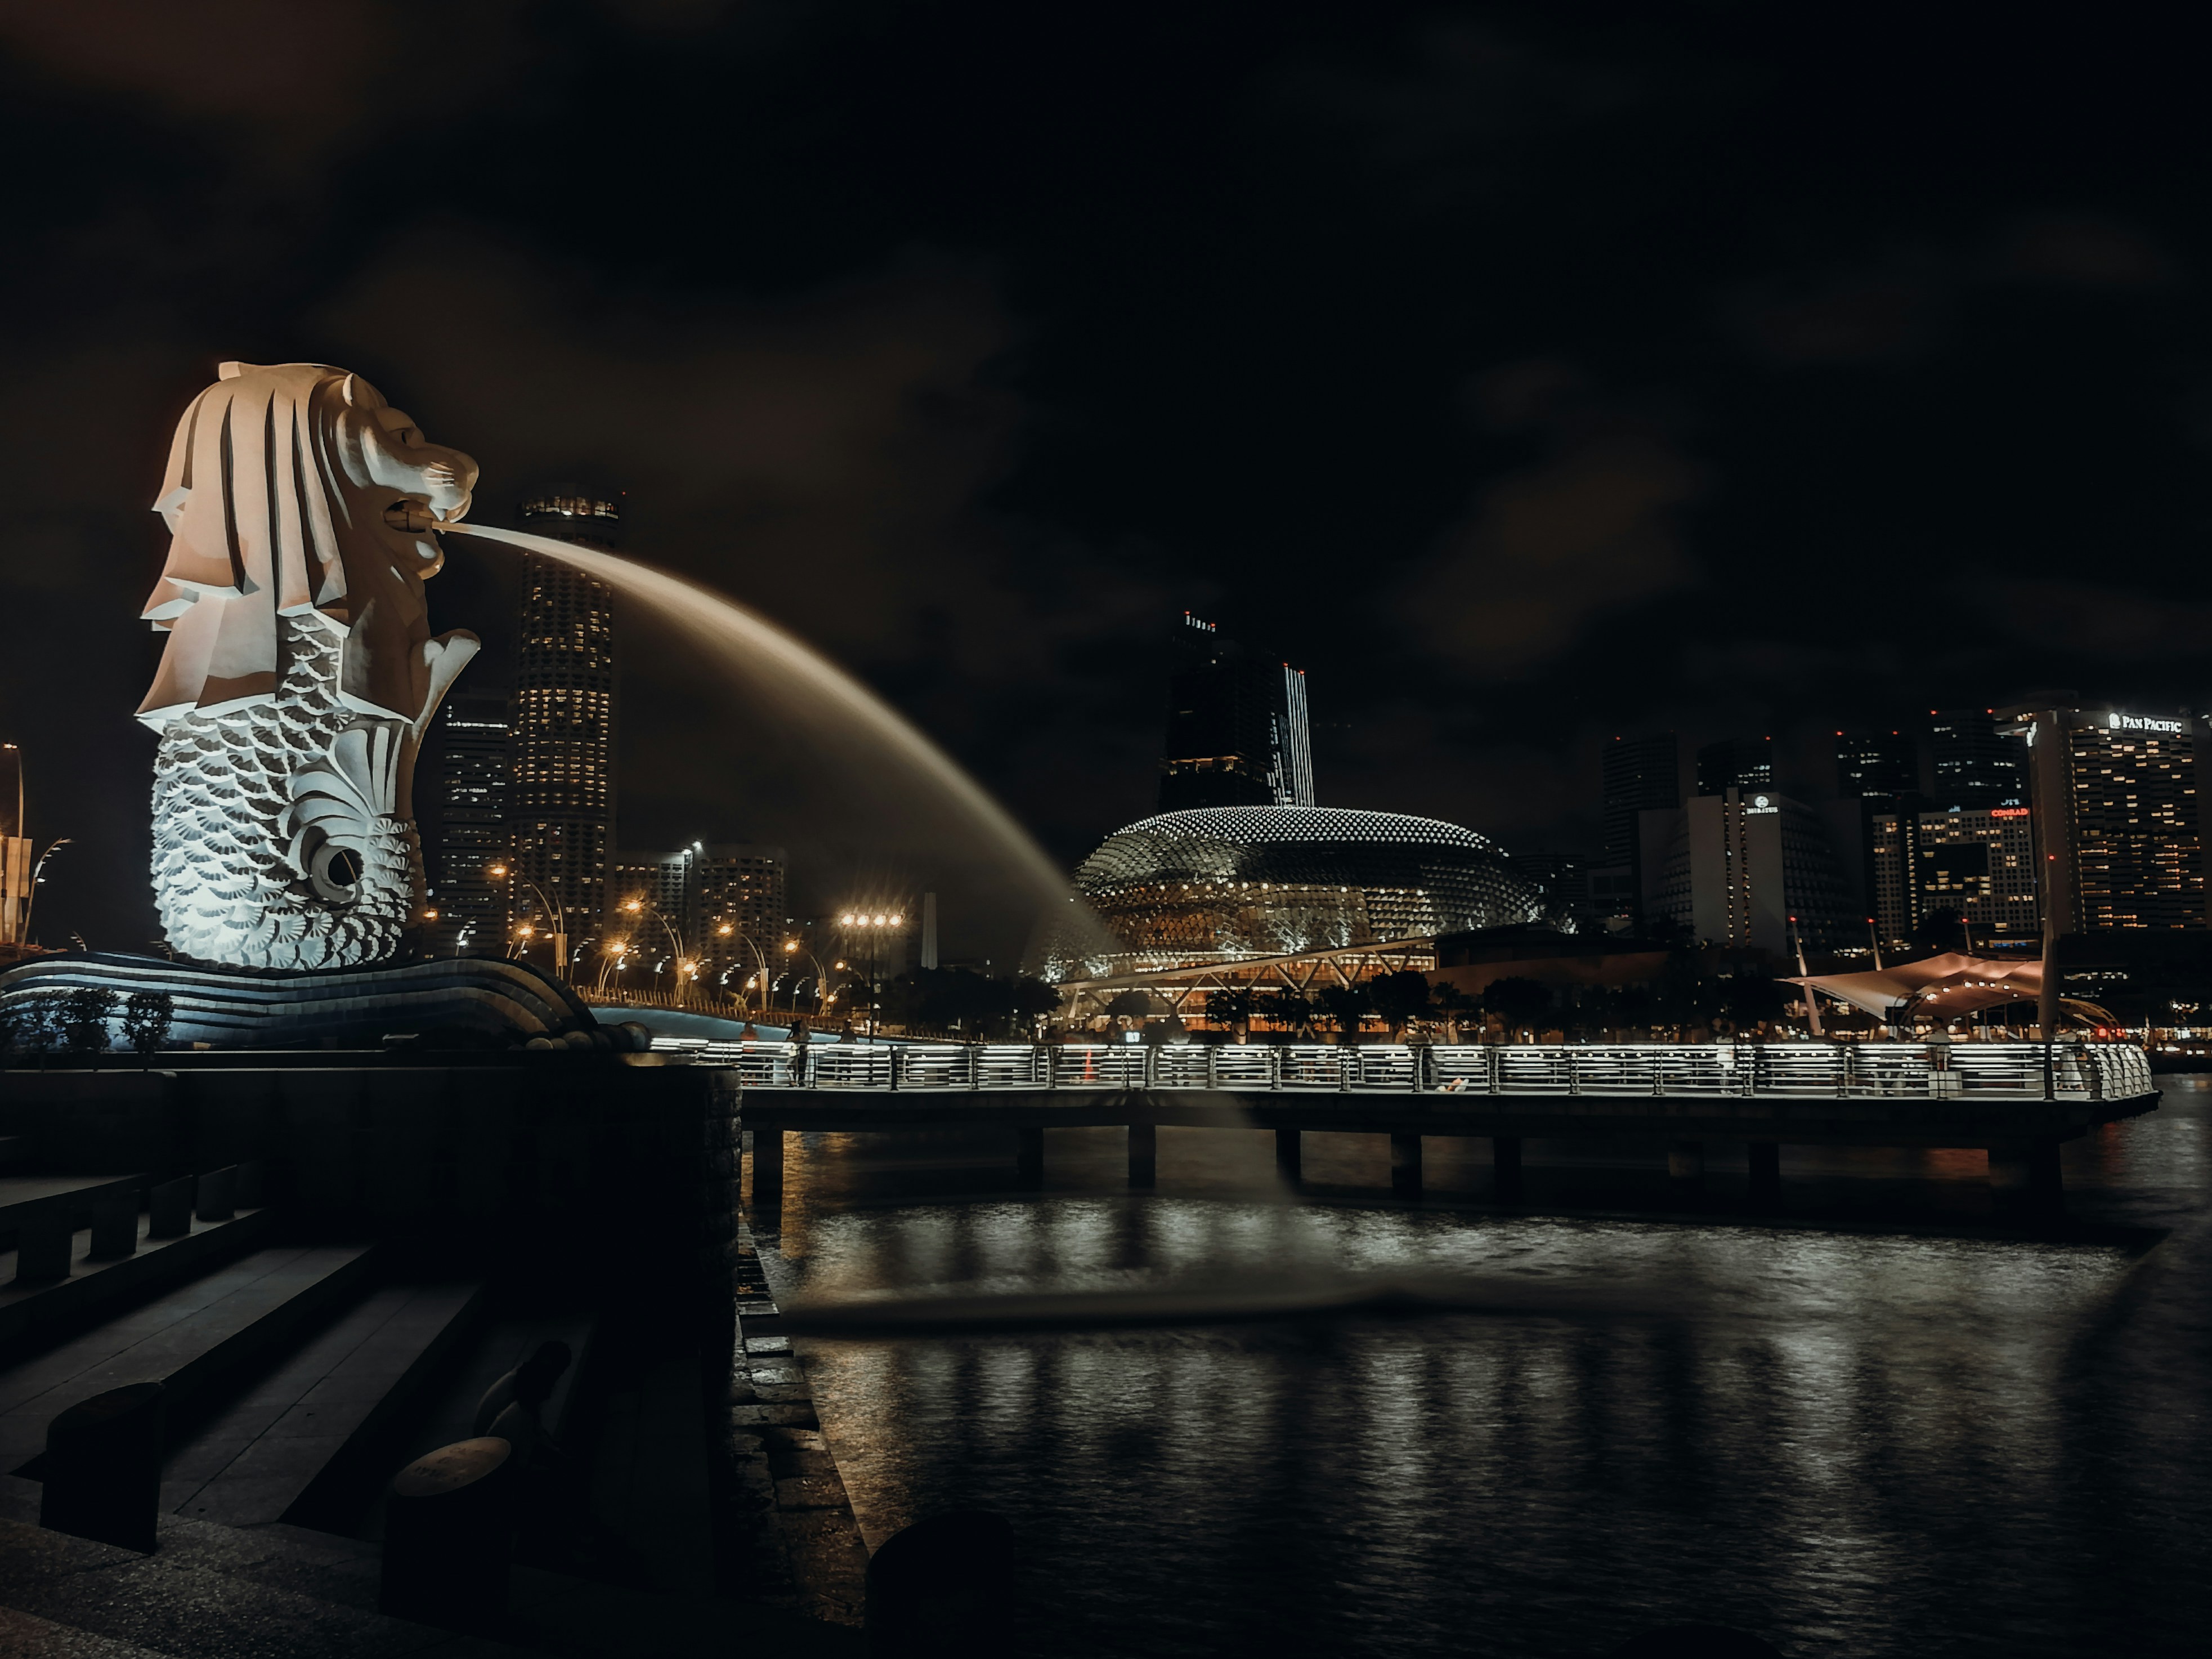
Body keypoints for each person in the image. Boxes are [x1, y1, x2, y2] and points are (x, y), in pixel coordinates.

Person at [474, 1340, 572, 1468]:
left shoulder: (523, 1377)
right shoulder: (526, 1397)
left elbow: (535, 1426)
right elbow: (527, 1434)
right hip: (492, 1451)